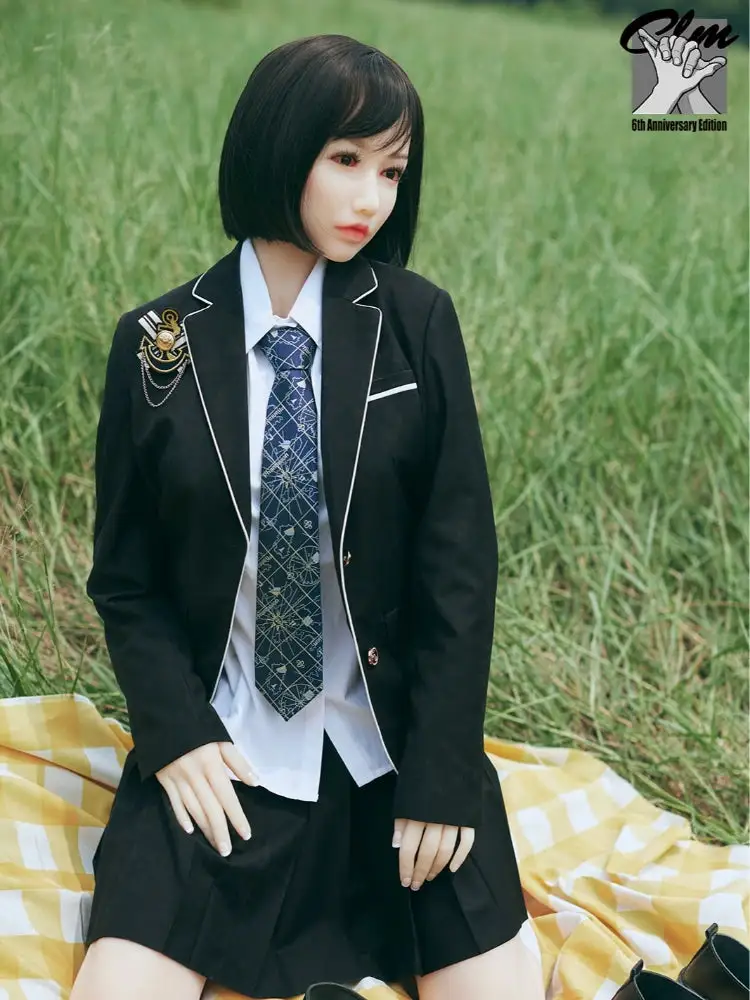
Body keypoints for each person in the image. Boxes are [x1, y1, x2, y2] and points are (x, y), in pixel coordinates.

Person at [70, 33, 545, 1000]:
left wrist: (444, 775)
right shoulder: (157, 342)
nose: (373, 197)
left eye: (393, 171)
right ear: (277, 146)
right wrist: (175, 733)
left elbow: (458, 571)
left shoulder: (417, 322)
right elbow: (126, 580)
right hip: (226, 755)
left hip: (392, 757)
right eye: (346, 160)